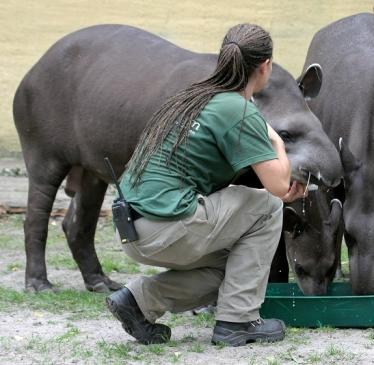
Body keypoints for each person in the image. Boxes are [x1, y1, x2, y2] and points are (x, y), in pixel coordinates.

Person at [105, 23, 307, 347]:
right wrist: (276, 140)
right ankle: (238, 321)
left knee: (238, 265)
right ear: (265, 66)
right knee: (268, 207)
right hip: (167, 223)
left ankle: (138, 300)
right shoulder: (238, 109)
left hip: (133, 226)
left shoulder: (193, 97)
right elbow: (278, 186)